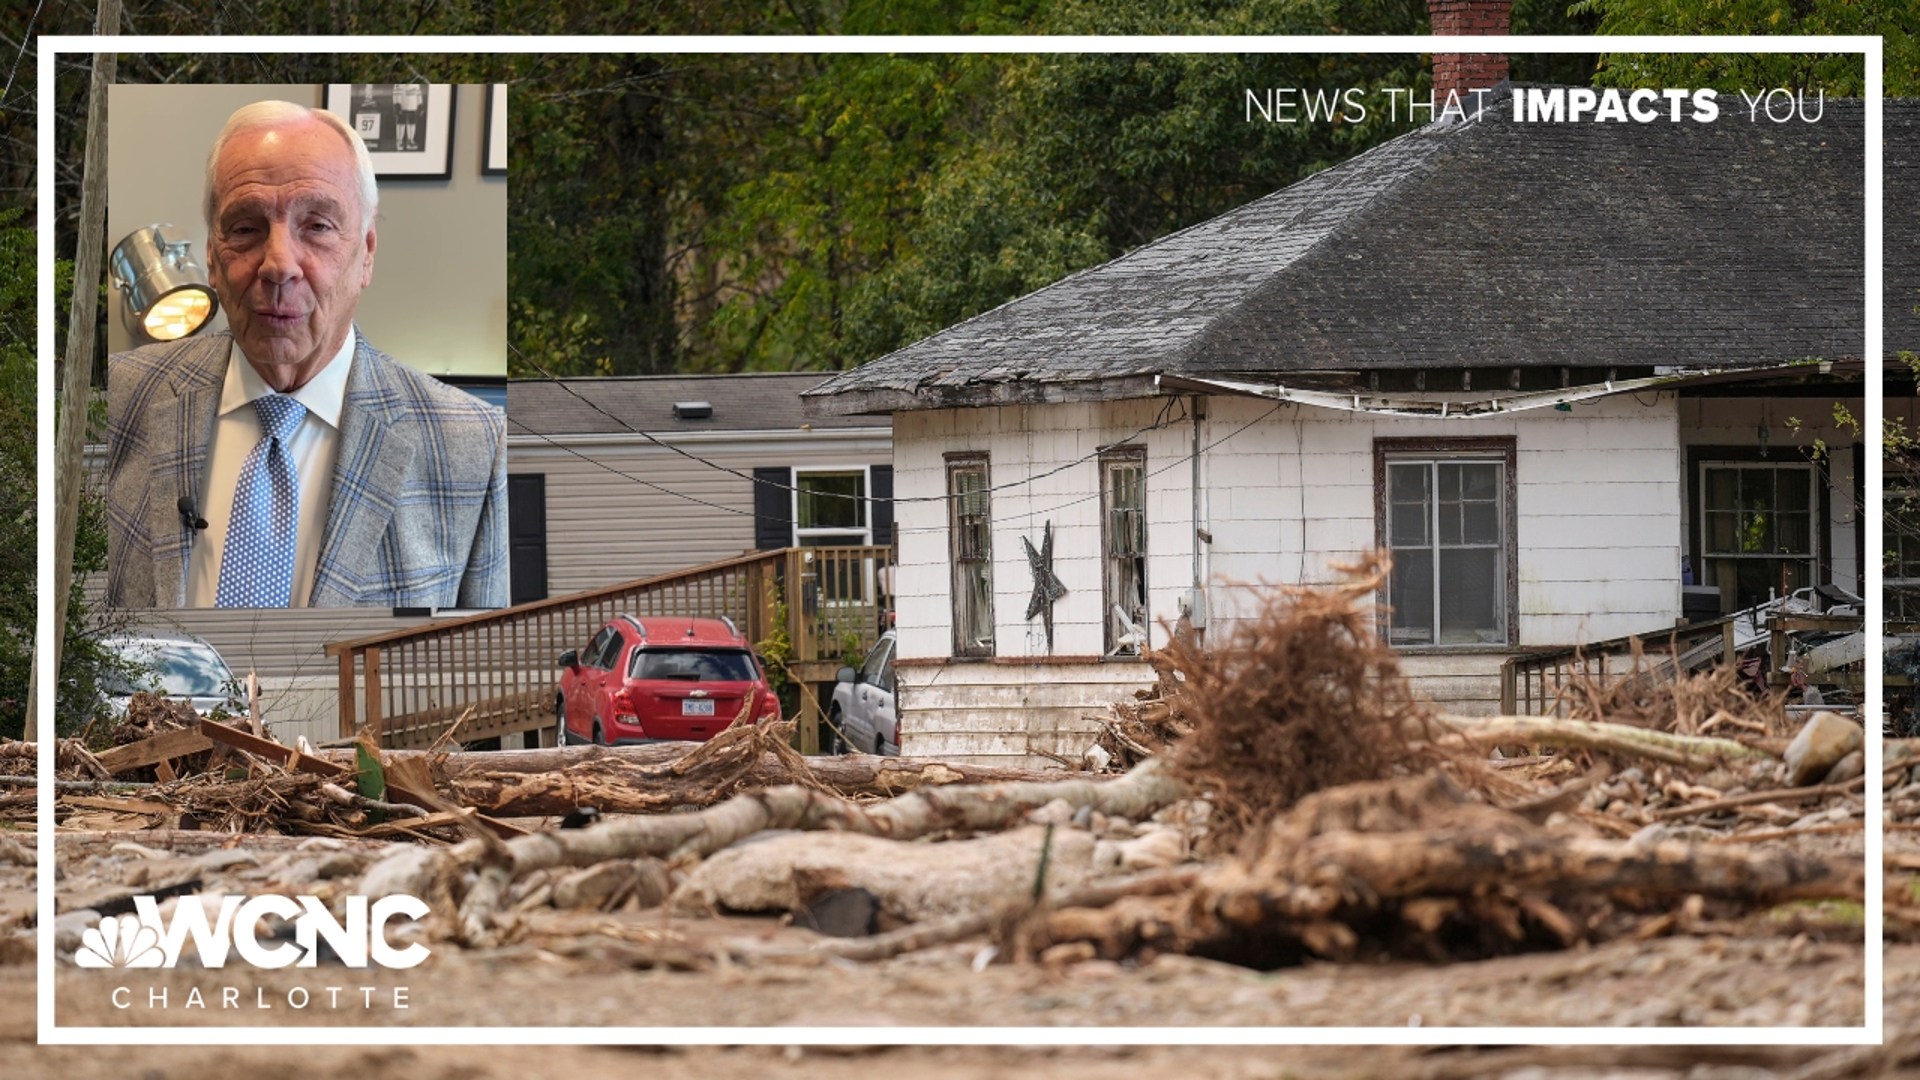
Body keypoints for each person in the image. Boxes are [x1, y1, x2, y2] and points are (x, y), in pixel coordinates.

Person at [105, 100, 508, 609]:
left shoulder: (473, 445)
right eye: (246, 228)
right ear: (211, 257)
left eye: (317, 226)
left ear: (366, 254)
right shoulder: (113, 401)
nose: (278, 265)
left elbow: (479, 659)